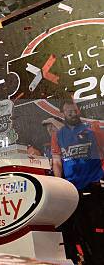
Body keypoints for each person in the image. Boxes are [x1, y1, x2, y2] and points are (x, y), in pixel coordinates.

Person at [51, 100, 104, 264]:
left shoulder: (93, 131)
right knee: (80, 231)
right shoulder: (58, 135)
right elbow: (57, 162)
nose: (72, 114)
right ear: (63, 114)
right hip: (73, 193)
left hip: (95, 188)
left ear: (78, 111)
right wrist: (58, 186)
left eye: (74, 111)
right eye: (68, 112)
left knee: (98, 232)